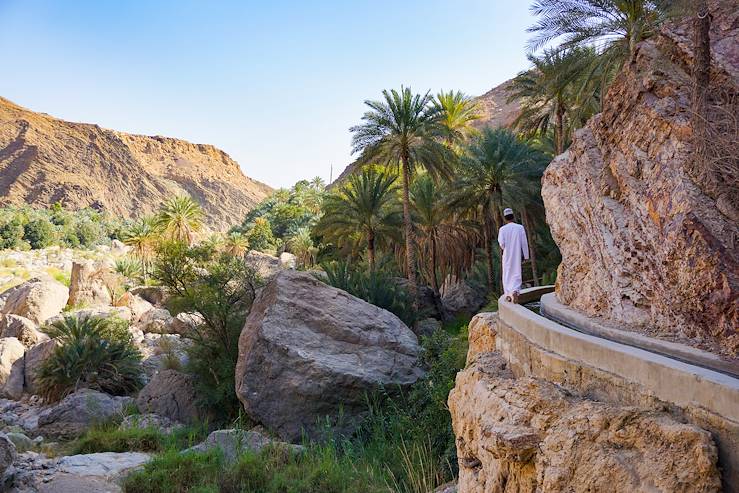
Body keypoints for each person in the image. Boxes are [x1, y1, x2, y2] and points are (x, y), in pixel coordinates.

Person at [498, 207, 529, 303]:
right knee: (516, 273)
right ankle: (515, 291)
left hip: (507, 255)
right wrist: (526, 256)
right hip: (517, 255)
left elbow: (501, 243)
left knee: (507, 273)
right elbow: (524, 243)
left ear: (505, 218)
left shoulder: (502, 229)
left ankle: (508, 294)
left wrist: (505, 248)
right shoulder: (520, 228)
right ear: (513, 216)